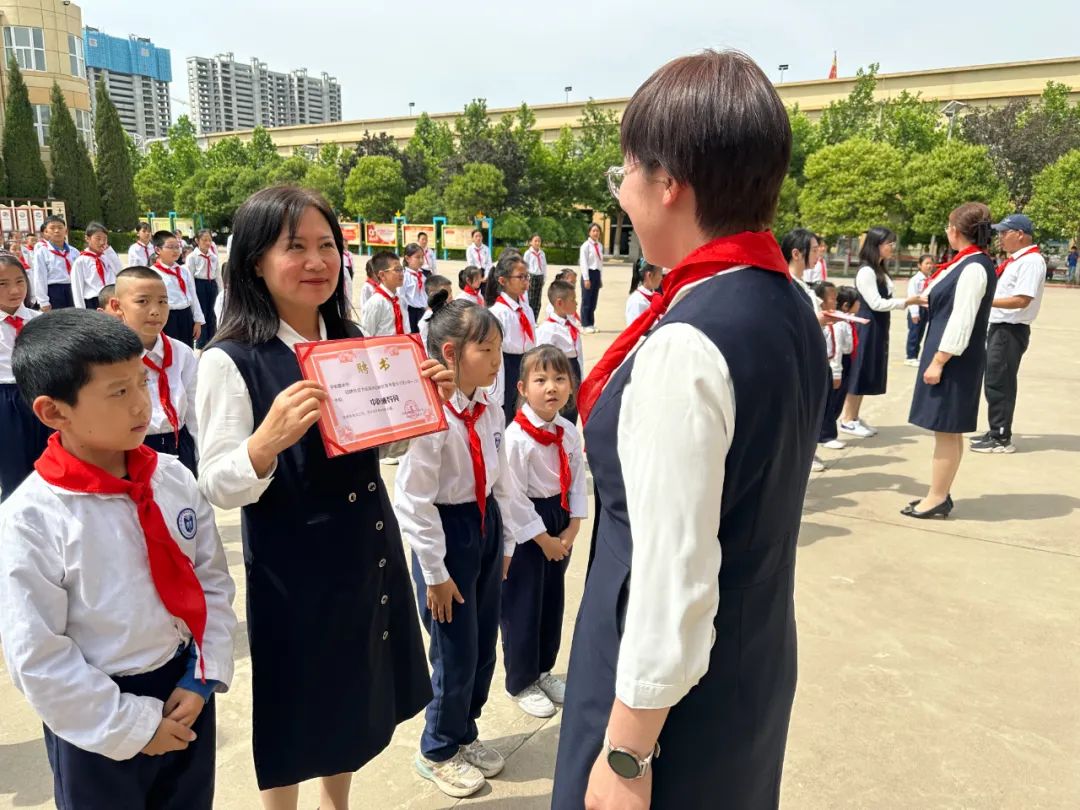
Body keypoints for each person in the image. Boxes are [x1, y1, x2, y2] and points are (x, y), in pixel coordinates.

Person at [552, 49, 828, 810]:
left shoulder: (687, 342)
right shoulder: (784, 304)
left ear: (668, 182)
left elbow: (672, 568)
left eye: (626, 176)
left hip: (665, 708)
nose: (626, 196)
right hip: (749, 661)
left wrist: (627, 753)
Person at [196, 186, 441, 809]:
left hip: (365, 548)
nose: (317, 261)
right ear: (255, 260)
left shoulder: (350, 339)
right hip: (296, 568)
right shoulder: (232, 360)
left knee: (357, 691)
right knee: (298, 706)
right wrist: (264, 444)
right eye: (295, 247)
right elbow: (219, 484)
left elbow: (376, 449)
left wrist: (417, 405)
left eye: (327, 245)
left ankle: (339, 803)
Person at [0, 309, 236, 809]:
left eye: (142, 383)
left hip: (185, 689)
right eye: (118, 392)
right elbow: (37, 655)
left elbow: (211, 580)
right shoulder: (31, 518)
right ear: (53, 412)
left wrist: (201, 678)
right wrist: (132, 727)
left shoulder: (170, 478)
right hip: (96, 712)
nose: (141, 405)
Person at [394, 295, 549, 800]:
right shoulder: (432, 416)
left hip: (483, 524)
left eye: (499, 347)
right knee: (454, 653)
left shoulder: (489, 407)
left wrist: (505, 543)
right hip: (447, 534)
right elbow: (414, 500)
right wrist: (435, 572)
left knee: (483, 648)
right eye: (487, 348)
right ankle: (436, 749)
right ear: (451, 351)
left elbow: (502, 481)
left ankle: (466, 732)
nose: (497, 358)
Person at [501, 345, 585, 719]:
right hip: (528, 528)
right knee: (523, 604)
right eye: (540, 380)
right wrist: (543, 539)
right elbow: (512, 496)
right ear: (522, 388)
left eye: (559, 378)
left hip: (558, 518)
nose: (551, 387)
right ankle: (521, 680)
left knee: (552, 600)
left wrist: (572, 528)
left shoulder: (567, 431)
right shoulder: (517, 438)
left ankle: (544, 668)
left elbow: (579, 479)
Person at [905, 203, 997, 518]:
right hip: (954, 355)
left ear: (955, 231)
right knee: (949, 430)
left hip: (954, 358)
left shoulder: (973, 266)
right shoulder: (970, 262)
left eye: (948, 225)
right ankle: (938, 493)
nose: (947, 230)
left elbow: (962, 320)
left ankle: (936, 497)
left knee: (945, 429)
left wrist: (939, 361)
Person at [109, 267, 199, 476]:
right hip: (130, 450)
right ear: (117, 306)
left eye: (163, 301)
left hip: (178, 443)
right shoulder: (108, 358)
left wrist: (200, 457)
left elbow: (196, 411)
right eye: (142, 301)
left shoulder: (181, 353)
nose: (155, 310)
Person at [968, 214, 1046, 454]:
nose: (999, 237)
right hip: (1002, 328)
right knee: (995, 380)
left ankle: (1001, 437)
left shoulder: (1030, 262)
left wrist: (985, 301)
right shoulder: (1018, 260)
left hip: (1010, 330)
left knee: (999, 383)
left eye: (1004, 232)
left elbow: (1022, 300)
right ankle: (995, 429)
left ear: (1020, 234)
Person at [838, 226, 921, 439]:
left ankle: (854, 417)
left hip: (877, 326)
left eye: (893, 243)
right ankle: (847, 419)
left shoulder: (879, 269)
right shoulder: (867, 271)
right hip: (867, 326)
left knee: (867, 371)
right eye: (888, 243)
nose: (892, 247)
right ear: (876, 246)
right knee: (859, 371)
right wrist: (906, 302)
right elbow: (876, 303)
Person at [0, 254, 50, 500]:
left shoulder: (38, 320)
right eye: (3, 284)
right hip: (4, 398)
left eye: (20, 281)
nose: (14, 290)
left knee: (46, 461)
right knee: (13, 469)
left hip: (38, 394)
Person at [487, 253, 538, 426]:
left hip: (527, 362)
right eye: (520, 277)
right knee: (508, 412)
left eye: (527, 277)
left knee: (527, 409)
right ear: (503, 281)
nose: (525, 282)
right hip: (508, 365)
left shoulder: (526, 309)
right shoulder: (498, 313)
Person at [536, 280, 584, 424]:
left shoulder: (570, 323)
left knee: (572, 414)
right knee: (561, 414)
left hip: (573, 370)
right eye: (572, 300)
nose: (576, 303)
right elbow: (543, 360)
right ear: (560, 303)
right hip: (560, 371)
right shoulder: (548, 329)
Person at [819, 285, 860, 451]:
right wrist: (836, 373)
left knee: (836, 401)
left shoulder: (844, 320)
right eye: (832, 298)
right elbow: (835, 350)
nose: (835, 301)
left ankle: (827, 431)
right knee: (831, 403)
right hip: (836, 364)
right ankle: (825, 435)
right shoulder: (837, 324)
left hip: (845, 361)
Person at [151, 231, 204, 347]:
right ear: (158, 250)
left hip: (186, 315)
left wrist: (198, 320)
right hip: (168, 317)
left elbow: (193, 296)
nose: (176, 251)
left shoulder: (184, 271)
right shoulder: (153, 273)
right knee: (170, 350)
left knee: (187, 348)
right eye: (170, 247)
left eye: (177, 247)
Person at [30, 216, 80, 311]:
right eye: (52, 228)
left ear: (65, 231)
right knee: (59, 322)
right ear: (46, 232)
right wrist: (43, 301)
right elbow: (39, 277)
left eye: (60, 228)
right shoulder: (42, 252)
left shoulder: (74, 252)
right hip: (54, 291)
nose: (57, 231)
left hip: (74, 289)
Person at [360, 250, 407, 338]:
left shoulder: (399, 299)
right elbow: (366, 335)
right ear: (382, 275)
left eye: (401, 269)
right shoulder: (375, 303)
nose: (401, 274)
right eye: (397, 270)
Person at [71, 222, 118, 310]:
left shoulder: (107, 257)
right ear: (87, 238)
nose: (102, 242)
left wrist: (110, 253)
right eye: (98, 238)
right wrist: (81, 310)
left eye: (105, 239)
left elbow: (119, 272)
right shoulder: (81, 261)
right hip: (93, 300)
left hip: (110, 298)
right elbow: (77, 288)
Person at [189, 230, 220, 349]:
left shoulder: (213, 256)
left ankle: (212, 338)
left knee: (212, 312)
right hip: (199, 284)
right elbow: (190, 276)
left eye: (210, 240)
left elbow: (218, 275)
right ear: (197, 241)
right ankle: (201, 341)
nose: (208, 243)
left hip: (211, 284)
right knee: (201, 312)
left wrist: (220, 290)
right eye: (204, 240)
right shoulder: (192, 257)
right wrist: (192, 292)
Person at [905, 254, 933, 367]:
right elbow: (912, 296)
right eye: (927, 263)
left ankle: (915, 356)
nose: (929, 266)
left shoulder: (931, 279)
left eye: (931, 263)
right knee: (914, 333)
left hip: (926, 308)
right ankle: (910, 356)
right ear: (919, 265)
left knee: (921, 333)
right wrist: (914, 313)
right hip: (916, 308)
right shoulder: (915, 280)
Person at [578, 222, 604, 333]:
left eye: (597, 231)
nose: (596, 233)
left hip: (596, 274)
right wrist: (586, 278)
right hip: (588, 273)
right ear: (589, 232)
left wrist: (600, 278)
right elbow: (583, 263)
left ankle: (591, 323)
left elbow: (600, 263)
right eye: (593, 231)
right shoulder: (586, 246)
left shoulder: (600, 245)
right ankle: (584, 324)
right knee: (586, 300)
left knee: (593, 301)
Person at [401, 242, 429, 333]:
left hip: (423, 311)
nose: (421, 260)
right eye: (417, 257)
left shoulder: (423, 275)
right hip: (411, 313)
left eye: (422, 257)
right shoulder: (404, 276)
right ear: (407, 258)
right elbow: (401, 298)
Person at [418, 275, 453, 348]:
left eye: (451, 293)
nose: (451, 296)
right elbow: (425, 345)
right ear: (432, 294)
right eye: (446, 294)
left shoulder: (447, 311)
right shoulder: (427, 319)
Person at [523, 234, 548, 315]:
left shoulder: (542, 253)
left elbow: (544, 266)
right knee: (531, 299)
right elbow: (525, 266)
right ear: (530, 242)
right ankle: (530, 317)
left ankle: (535, 318)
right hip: (531, 276)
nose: (537, 243)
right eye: (535, 241)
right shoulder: (528, 253)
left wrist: (544, 278)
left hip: (540, 276)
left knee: (538, 300)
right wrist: (526, 279)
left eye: (539, 241)